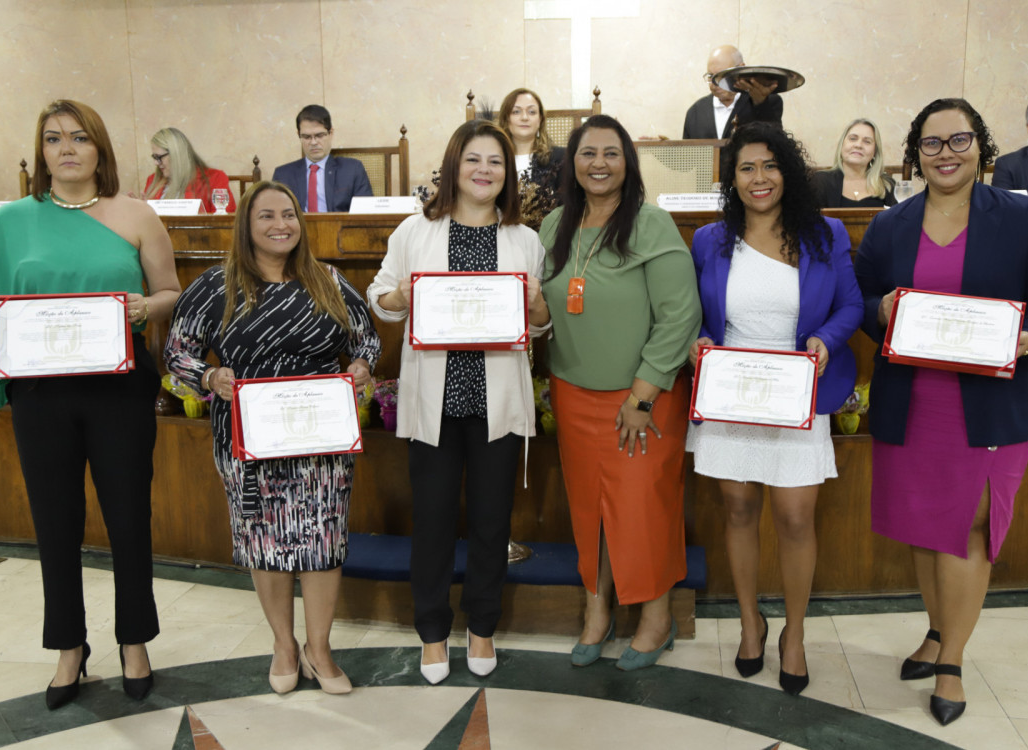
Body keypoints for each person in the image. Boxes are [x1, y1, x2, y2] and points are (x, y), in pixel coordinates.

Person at [855, 98, 1028, 725]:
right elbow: (864, 291)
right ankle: (934, 628)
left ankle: (950, 660)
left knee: (970, 529)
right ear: (914, 153)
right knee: (928, 528)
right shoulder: (892, 225)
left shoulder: (1020, 216)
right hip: (915, 401)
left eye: (958, 140)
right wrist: (881, 311)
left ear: (980, 145)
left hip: (988, 407)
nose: (945, 154)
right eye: (932, 143)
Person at [0, 99, 181, 709]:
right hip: (41, 393)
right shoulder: (9, 223)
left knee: (129, 517)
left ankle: (135, 641)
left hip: (119, 388)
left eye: (80, 138)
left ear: (100, 149)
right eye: (54, 139)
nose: (67, 149)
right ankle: (68, 647)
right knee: (55, 523)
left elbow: (169, 291)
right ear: (41, 152)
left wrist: (144, 307)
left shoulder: (137, 215)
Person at [164, 180, 380, 695]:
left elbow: (366, 335)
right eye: (266, 216)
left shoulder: (326, 278)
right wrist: (211, 377)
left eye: (289, 214)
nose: (281, 224)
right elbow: (176, 352)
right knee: (265, 538)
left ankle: (319, 648)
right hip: (248, 436)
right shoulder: (217, 285)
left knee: (324, 537)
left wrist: (361, 365)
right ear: (246, 225)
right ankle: (284, 645)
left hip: (321, 434)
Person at [367, 119, 550, 685]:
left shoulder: (525, 240)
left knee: (493, 522)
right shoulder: (416, 231)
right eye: (473, 160)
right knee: (435, 521)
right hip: (436, 401)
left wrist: (536, 305)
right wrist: (400, 294)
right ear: (453, 166)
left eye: (495, 162)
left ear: (507, 174)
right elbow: (381, 298)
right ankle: (432, 632)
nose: (484, 171)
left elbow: (538, 328)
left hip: (496, 400)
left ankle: (483, 627)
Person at [688, 122, 863, 695]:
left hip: (796, 393)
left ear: (787, 171)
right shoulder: (710, 239)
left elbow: (851, 304)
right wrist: (701, 341)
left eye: (769, 165)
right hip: (732, 393)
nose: (759, 178)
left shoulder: (826, 234)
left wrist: (827, 340)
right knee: (738, 510)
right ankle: (749, 623)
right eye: (746, 168)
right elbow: (696, 312)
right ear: (731, 178)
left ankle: (794, 633)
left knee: (793, 517)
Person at [539, 114, 701, 671]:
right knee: (589, 510)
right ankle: (596, 612)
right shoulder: (554, 225)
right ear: (572, 163)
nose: (599, 164)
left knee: (641, 508)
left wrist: (641, 395)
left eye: (611, 153)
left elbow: (680, 314)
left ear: (628, 162)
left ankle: (657, 620)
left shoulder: (651, 225)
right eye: (588, 153)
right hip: (573, 392)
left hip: (642, 399)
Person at [272, 105, 373, 212]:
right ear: (299, 135)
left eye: (319, 135)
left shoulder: (352, 169)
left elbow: (365, 214)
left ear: (331, 133)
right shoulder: (283, 175)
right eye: (306, 137)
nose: (313, 142)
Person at [497, 88, 566, 229]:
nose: (524, 117)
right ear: (506, 119)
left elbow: (566, 207)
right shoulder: (494, 160)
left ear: (540, 119)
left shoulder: (560, 158)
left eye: (532, 112)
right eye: (516, 111)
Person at [682, 45, 783, 141]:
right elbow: (688, 155)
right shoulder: (696, 112)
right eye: (710, 76)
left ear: (740, 69)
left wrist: (760, 103)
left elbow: (775, 144)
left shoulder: (766, 102)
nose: (715, 83)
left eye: (721, 75)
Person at [141, 127, 236, 214]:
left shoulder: (215, 178)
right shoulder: (153, 180)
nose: (156, 163)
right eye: (154, 157)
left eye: (159, 157)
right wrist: (139, 210)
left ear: (177, 155)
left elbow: (225, 221)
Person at [810, 118, 897, 208]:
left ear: (875, 152)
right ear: (842, 145)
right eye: (852, 139)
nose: (858, 145)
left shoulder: (887, 185)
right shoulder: (819, 181)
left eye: (867, 141)